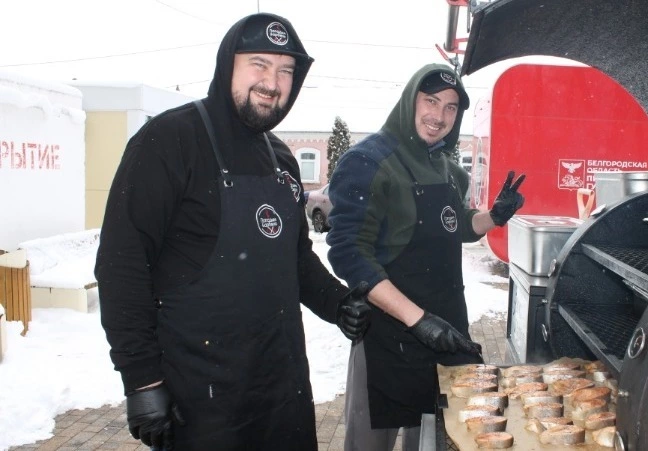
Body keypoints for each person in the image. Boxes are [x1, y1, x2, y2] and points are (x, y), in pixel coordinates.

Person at [94, 13, 371, 451]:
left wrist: (338, 304)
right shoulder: (169, 140)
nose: (272, 81)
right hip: (202, 398)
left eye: (285, 71)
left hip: (282, 389)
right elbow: (121, 266)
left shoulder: (282, 160)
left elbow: (294, 258)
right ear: (228, 66)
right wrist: (142, 378)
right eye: (258, 64)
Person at [326, 64, 526, 451]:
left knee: (433, 440)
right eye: (431, 101)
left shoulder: (447, 168)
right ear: (410, 101)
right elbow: (348, 251)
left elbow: (457, 225)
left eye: (451, 107)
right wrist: (418, 320)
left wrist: (493, 217)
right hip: (387, 338)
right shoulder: (369, 161)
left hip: (445, 335)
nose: (439, 116)